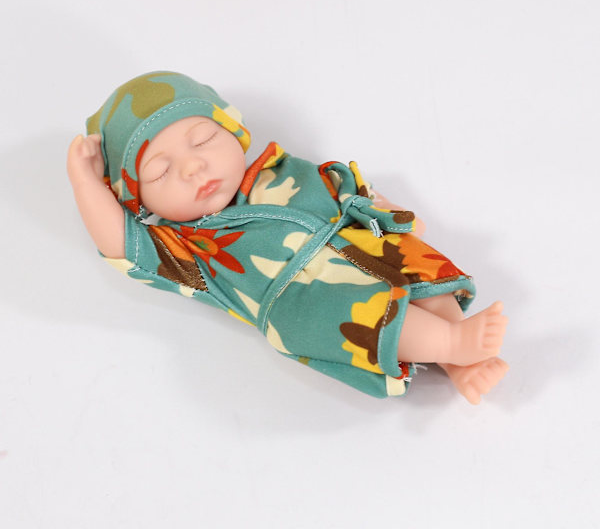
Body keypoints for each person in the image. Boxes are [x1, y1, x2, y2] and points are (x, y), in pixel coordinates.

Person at [67, 71, 508, 404]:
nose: (192, 167)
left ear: (234, 132)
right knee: (362, 316)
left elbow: (343, 187)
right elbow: (120, 245)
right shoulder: (188, 251)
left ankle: (459, 357)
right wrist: (86, 183)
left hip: (353, 239)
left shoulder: (279, 168)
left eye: (202, 140)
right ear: (140, 203)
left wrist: (386, 210)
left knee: (414, 263)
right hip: (305, 297)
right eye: (160, 171)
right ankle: (452, 344)